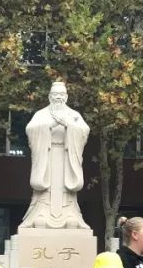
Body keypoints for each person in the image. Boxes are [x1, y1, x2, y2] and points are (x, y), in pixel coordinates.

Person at [18, 80, 91, 230]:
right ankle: (41, 214)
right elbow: (30, 129)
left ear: (66, 97)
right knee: (46, 188)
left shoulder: (74, 115)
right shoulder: (41, 114)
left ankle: (70, 215)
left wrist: (68, 125)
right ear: (50, 96)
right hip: (47, 156)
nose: (58, 97)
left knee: (66, 187)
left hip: (67, 156)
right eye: (55, 94)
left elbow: (84, 131)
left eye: (61, 94)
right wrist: (50, 125)